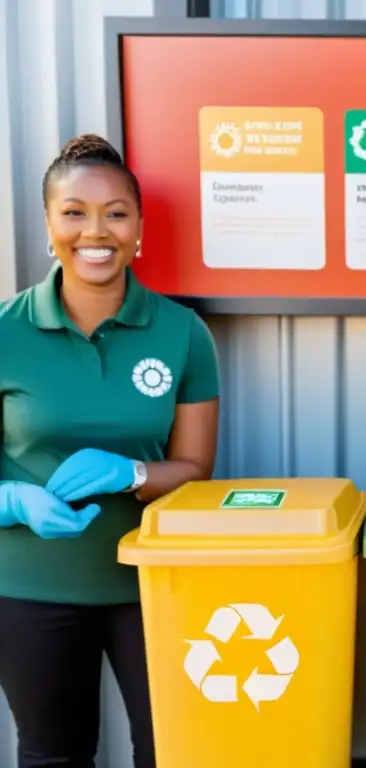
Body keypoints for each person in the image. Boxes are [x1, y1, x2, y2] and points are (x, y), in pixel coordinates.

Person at [0, 134, 221, 767]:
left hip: (151, 586)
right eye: (74, 212)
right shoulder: (5, 332)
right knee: (52, 756)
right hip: (28, 588)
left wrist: (133, 472)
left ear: (139, 228)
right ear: (48, 225)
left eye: (116, 212)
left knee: (172, 751)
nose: (95, 230)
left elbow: (197, 470)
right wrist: (14, 501)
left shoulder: (183, 334)